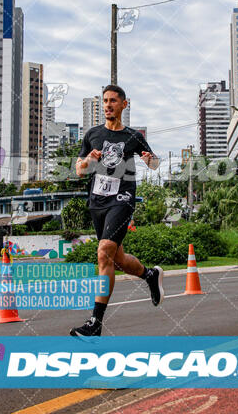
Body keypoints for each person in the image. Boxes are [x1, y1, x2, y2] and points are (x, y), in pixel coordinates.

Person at [69, 84, 163, 337]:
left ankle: (95, 323)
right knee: (116, 259)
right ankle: (150, 275)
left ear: (124, 104)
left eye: (113, 101)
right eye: (105, 101)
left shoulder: (133, 136)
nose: (108, 105)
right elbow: (79, 170)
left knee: (103, 253)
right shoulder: (92, 134)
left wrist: (149, 160)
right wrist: (89, 161)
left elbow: (154, 163)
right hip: (98, 200)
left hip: (122, 198)